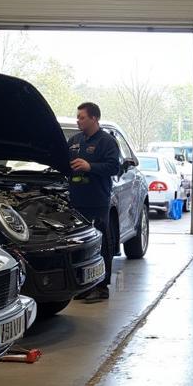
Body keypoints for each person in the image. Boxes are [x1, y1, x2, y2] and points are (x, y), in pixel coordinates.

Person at [66, 101, 121, 303]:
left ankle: (102, 286)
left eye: (82, 117)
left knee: (102, 243)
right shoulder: (74, 141)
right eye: (77, 117)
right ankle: (84, 284)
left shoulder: (107, 142)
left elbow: (114, 167)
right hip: (76, 201)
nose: (78, 120)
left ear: (94, 118)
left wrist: (90, 166)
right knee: (80, 244)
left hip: (97, 201)